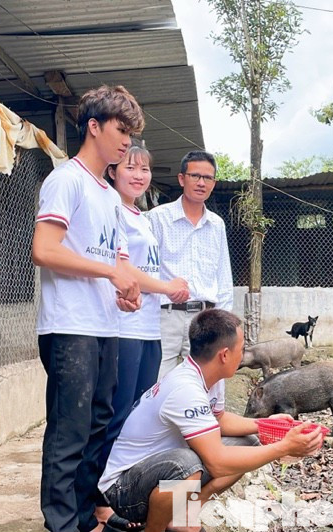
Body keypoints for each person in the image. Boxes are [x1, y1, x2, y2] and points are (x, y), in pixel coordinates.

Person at [30, 84, 144, 532]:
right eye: (120, 130)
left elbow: (112, 260)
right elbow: (44, 249)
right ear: (93, 127)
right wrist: (108, 273)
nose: (126, 142)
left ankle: (82, 519)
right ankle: (59, 524)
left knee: (98, 429)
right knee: (69, 433)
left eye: (131, 134)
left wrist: (127, 288)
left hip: (105, 325)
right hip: (69, 327)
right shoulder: (66, 179)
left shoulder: (108, 195)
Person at [97, 309, 323, 532]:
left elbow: (220, 420)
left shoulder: (211, 376)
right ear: (224, 355)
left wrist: (266, 425)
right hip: (124, 488)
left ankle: (185, 513)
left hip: (158, 472)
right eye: (241, 349)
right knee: (185, 465)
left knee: (249, 442)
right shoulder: (186, 388)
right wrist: (284, 447)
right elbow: (217, 462)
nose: (243, 353)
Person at [93, 146, 190, 530]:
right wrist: (168, 287)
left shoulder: (142, 218)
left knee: (138, 417)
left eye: (145, 168)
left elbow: (147, 268)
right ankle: (100, 502)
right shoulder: (111, 210)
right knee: (115, 417)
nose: (139, 174)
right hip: (123, 327)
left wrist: (171, 286)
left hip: (150, 328)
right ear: (113, 171)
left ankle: (131, 494)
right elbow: (125, 269)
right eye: (130, 167)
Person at [148, 151, 234, 379]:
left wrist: (225, 323)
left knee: (200, 384)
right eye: (195, 175)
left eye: (207, 178)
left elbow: (223, 275)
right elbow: (146, 269)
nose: (201, 182)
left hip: (205, 318)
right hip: (164, 316)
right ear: (181, 178)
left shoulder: (217, 225)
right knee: (155, 383)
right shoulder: (157, 218)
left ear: (213, 183)